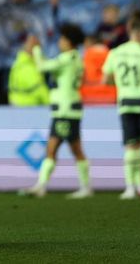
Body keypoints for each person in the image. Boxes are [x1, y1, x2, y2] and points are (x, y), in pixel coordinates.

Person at [19, 24, 92, 199]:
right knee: (73, 149)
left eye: (62, 39)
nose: (59, 42)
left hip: (64, 111)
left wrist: (36, 49)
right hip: (69, 110)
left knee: (54, 149)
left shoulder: (67, 59)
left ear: (68, 42)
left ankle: (42, 186)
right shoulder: (76, 58)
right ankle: (82, 187)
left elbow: (42, 67)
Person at [102, 14, 140, 199]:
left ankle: (131, 188)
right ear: (138, 32)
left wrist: (120, 84)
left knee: (131, 146)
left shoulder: (115, 52)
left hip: (125, 101)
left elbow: (106, 79)